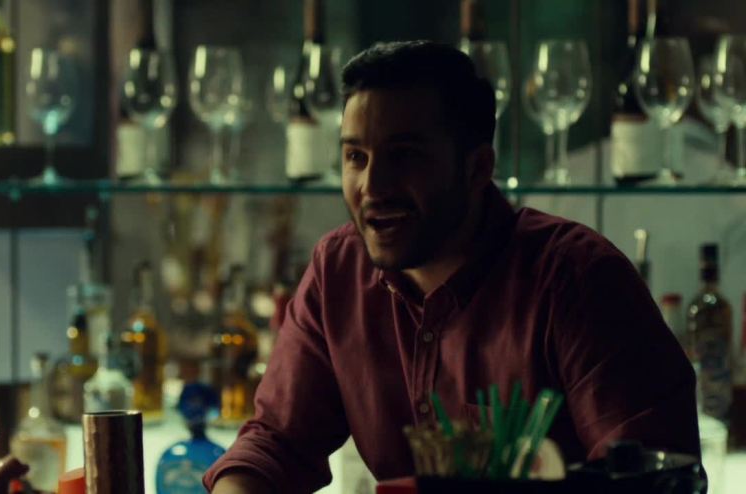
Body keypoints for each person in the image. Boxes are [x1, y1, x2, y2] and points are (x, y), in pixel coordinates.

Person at [205, 40, 699, 493]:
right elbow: (275, 443)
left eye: (403, 157)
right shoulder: (339, 270)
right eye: (356, 156)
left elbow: (654, 478)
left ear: (478, 168)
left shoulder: (579, 280)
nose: (372, 186)